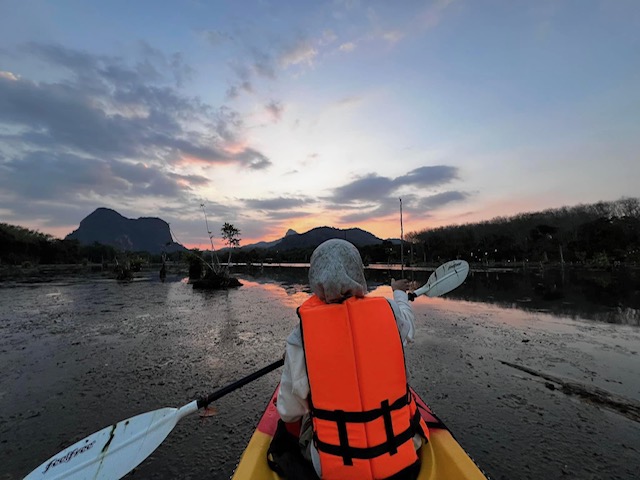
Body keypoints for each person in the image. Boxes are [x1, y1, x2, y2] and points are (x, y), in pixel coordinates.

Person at [275, 239, 429, 480]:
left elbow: (287, 412)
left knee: (293, 423)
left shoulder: (301, 335)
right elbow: (409, 329)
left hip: (336, 469)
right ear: (359, 272)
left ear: (315, 277)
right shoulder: (390, 311)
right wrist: (398, 293)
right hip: (402, 457)